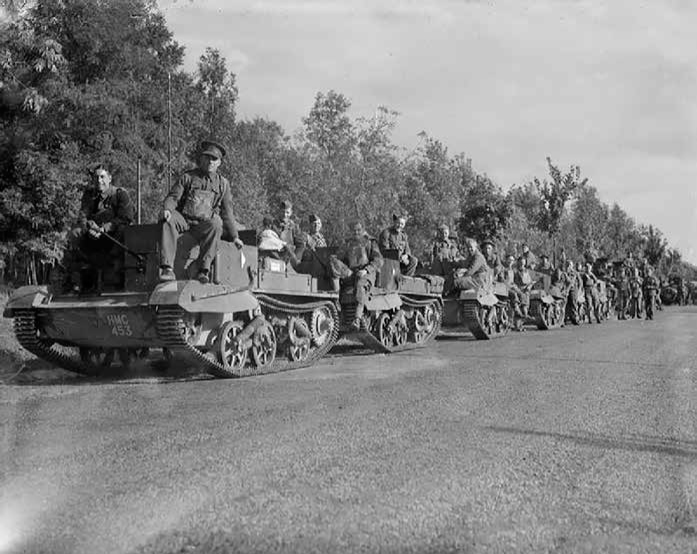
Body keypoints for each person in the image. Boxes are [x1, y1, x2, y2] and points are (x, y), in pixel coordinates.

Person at [159, 140, 242, 283]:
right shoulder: (188, 177)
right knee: (169, 220)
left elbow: (227, 212)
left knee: (216, 223)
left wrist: (235, 236)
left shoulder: (223, 184)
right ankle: (167, 267)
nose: (210, 161)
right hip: (184, 220)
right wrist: (167, 209)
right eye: (207, 157)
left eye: (214, 159)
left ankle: (203, 269)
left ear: (219, 163)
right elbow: (173, 197)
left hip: (203, 225)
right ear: (202, 159)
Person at [65, 164, 134, 291]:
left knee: (123, 230)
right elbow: (82, 215)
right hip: (93, 237)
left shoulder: (120, 195)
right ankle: (77, 275)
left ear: (109, 178)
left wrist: (103, 229)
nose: (99, 181)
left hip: (114, 239)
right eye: (96, 178)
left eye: (102, 177)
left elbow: (125, 218)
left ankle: (114, 271)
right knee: (75, 233)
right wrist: (88, 227)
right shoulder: (89, 195)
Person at [331, 222, 384, 330]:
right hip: (351, 272)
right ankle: (338, 313)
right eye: (354, 230)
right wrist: (341, 267)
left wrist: (366, 270)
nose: (356, 232)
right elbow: (338, 257)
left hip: (367, 273)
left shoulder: (370, 242)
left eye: (358, 230)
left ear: (363, 230)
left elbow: (379, 260)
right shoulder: (348, 244)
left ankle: (357, 318)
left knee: (359, 285)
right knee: (337, 282)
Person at [512, 256, 534, 330]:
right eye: (521, 262)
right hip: (518, 290)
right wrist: (517, 289)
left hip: (526, 292)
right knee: (518, 308)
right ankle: (517, 325)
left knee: (525, 308)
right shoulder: (515, 271)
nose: (522, 264)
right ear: (518, 262)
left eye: (523, 262)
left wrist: (529, 287)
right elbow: (512, 282)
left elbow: (530, 282)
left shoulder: (527, 271)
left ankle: (521, 324)